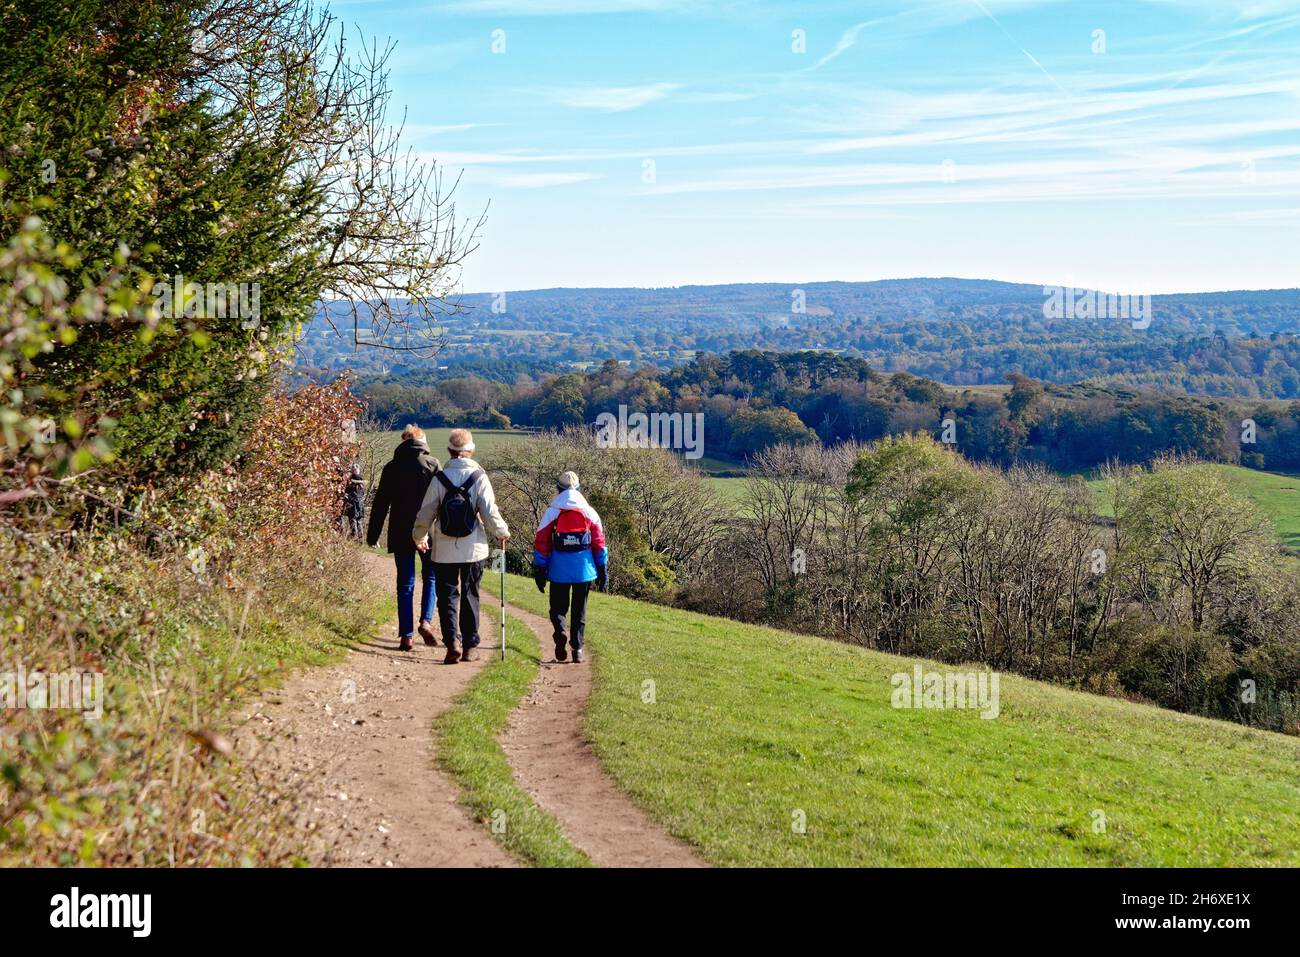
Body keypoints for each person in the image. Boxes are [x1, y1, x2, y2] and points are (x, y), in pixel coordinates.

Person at [411, 428, 510, 664]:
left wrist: (419, 536)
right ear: (471, 450)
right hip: (473, 548)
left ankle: (452, 642)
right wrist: (501, 533)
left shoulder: (440, 478)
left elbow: (426, 512)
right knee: (470, 594)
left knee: (447, 596)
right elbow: (489, 511)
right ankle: (469, 647)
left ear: (449, 451)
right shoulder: (479, 477)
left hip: (443, 549)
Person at [367, 425, 441, 652]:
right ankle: (426, 621)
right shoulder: (433, 464)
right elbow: (441, 500)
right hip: (428, 531)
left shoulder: (391, 467)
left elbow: (380, 504)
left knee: (405, 583)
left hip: (400, 531)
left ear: (403, 441)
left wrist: (372, 535)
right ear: (422, 441)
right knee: (430, 577)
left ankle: (406, 636)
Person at [532, 471, 607, 663]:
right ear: (579, 488)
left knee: (557, 608)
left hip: (559, 569)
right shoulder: (589, 511)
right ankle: (577, 649)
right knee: (579, 610)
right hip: (584, 569)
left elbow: (542, 542)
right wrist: (602, 569)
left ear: (559, 489)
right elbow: (599, 542)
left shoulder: (552, 512)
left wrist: (540, 569)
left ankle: (560, 635)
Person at [342, 462, 366, 540]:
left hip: (354, 501)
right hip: (359, 501)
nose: (354, 470)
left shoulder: (355, 477)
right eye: (353, 469)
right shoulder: (360, 478)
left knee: (353, 519)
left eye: (355, 469)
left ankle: (355, 538)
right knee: (358, 520)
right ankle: (360, 539)